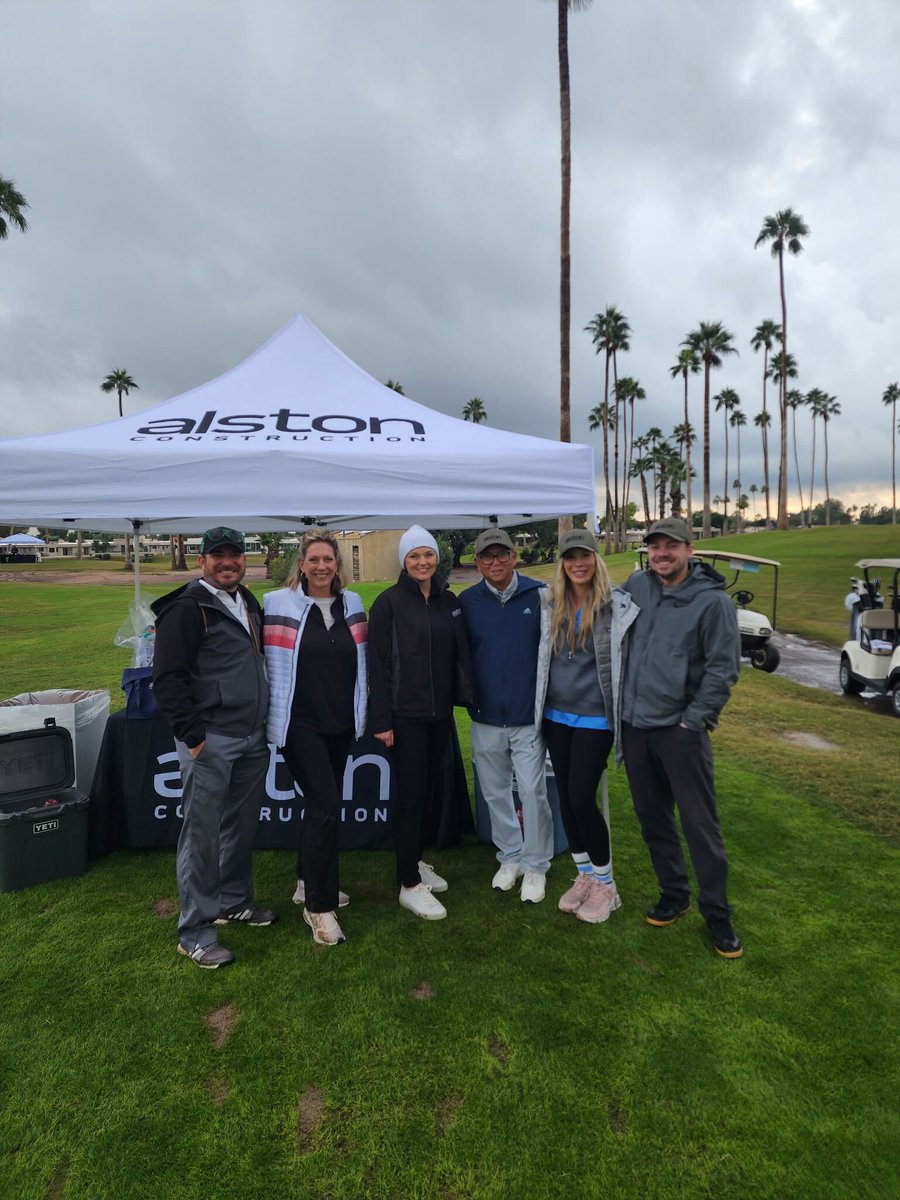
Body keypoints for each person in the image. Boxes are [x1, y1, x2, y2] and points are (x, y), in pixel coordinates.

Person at [152, 526, 276, 970]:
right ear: (201, 561)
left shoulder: (247, 601)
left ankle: (234, 901)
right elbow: (167, 679)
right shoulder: (186, 609)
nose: (228, 562)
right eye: (218, 555)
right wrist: (195, 738)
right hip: (212, 741)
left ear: (245, 560)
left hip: (251, 736)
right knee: (201, 838)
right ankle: (195, 933)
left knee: (239, 827)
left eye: (235, 555)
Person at [620, 516, 743, 959]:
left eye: (671, 546)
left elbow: (723, 669)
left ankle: (718, 914)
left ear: (691, 550)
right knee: (653, 819)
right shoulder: (637, 585)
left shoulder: (713, 604)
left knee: (700, 826)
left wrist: (694, 721)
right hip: (636, 728)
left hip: (680, 732)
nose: (662, 554)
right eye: (655, 547)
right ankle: (674, 893)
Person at [263, 531, 367, 947]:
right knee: (326, 803)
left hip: (340, 723)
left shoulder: (353, 604)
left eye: (329, 559)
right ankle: (319, 907)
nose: (322, 567)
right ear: (301, 564)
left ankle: (307, 882)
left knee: (319, 806)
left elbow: (364, 662)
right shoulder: (276, 603)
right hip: (297, 724)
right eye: (314, 560)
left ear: (337, 565)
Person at [367, 525, 475, 920]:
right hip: (404, 717)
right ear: (404, 561)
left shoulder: (448, 600)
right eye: (414, 556)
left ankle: (416, 859)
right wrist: (382, 719)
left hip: (439, 715)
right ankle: (408, 882)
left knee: (429, 792)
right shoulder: (388, 603)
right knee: (410, 797)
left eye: (427, 554)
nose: (422, 561)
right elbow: (375, 666)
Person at [535, 528, 638, 924]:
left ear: (596, 558)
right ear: (562, 563)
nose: (578, 563)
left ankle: (606, 885)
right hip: (555, 715)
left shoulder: (616, 606)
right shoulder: (549, 603)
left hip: (595, 718)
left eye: (585, 555)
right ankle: (584, 874)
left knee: (581, 798)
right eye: (570, 556)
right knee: (564, 797)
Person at [459, 528, 552, 903]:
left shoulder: (541, 594)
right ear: (478, 563)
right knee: (495, 792)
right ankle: (510, 856)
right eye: (487, 556)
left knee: (532, 790)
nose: (495, 562)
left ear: (515, 557)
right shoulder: (467, 602)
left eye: (502, 555)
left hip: (527, 714)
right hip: (484, 716)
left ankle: (536, 864)